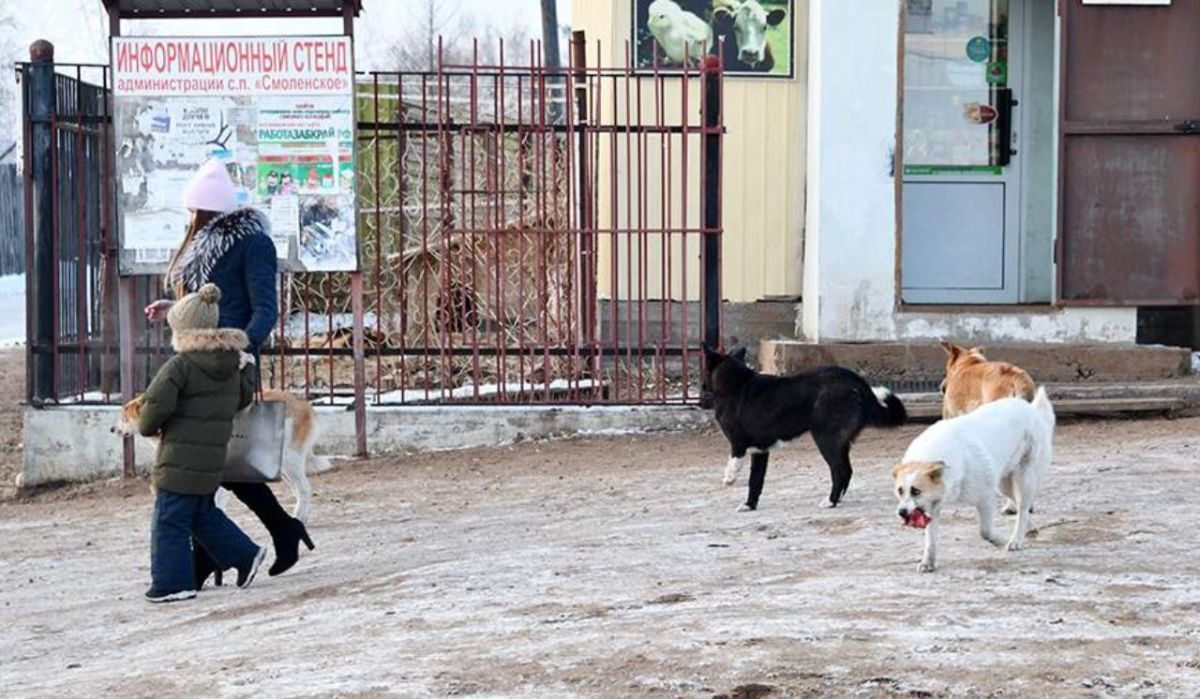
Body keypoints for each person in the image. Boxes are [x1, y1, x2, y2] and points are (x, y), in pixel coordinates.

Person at [145, 159, 313, 588]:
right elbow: (209, 306)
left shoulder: (252, 242)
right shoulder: (203, 245)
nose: (187, 218)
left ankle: (223, 552)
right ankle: (268, 536)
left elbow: (264, 309)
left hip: (229, 367)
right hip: (201, 360)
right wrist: (174, 311)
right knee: (215, 464)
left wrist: (246, 351)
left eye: (192, 211)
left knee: (212, 463)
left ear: (204, 210)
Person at [140, 283, 267, 603]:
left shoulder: (180, 366)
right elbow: (242, 400)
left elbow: (153, 409)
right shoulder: (231, 364)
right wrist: (249, 373)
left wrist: (149, 427)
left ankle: (172, 583)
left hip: (180, 459)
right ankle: (244, 554)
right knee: (200, 513)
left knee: (169, 519)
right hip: (211, 459)